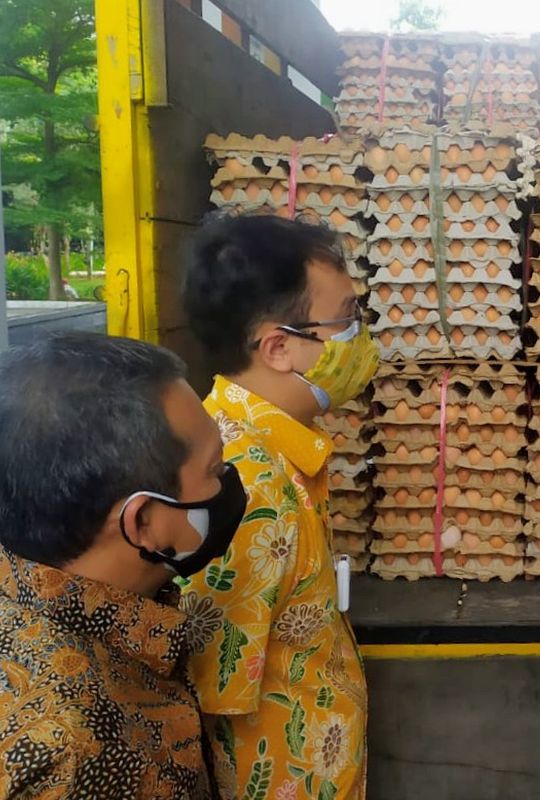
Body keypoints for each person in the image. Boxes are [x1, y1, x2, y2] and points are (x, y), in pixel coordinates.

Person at [0, 332, 244, 799]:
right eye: (213, 469)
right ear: (142, 521)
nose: (228, 484)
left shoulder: (2, 589)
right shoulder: (76, 754)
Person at [179, 214, 378, 799]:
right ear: (279, 346)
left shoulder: (275, 453)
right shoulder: (244, 482)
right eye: (346, 320)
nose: (359, 339)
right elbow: (214, 690)